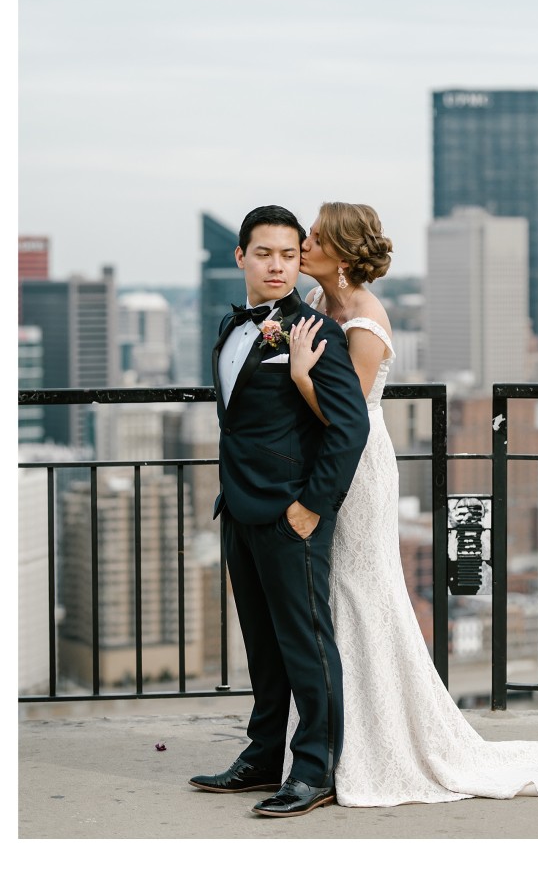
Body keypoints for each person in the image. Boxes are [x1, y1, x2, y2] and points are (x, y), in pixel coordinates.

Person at [288, 200, 538, 806]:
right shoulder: (324, 304)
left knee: (364, 594)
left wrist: (298, 378)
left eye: (315, 236)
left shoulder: (365, 322)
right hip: (330, 465)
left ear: (341, 253)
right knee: (336, 596)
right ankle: (335, 735)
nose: (303, 242)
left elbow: (346, 415)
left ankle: (376, 738)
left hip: (360, 470)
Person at [189, 205, 370, 817]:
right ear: (240, 257)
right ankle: (261, 755)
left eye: (289, 255)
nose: (277, 265)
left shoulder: (317, 331)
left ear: (300, 261)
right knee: (261, 645)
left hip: (292, 513)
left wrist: (311, 507)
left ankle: (314, 769)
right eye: (264, 253)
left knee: (307, 644)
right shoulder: (230, 325)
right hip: (239, 510)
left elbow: (350, 428)